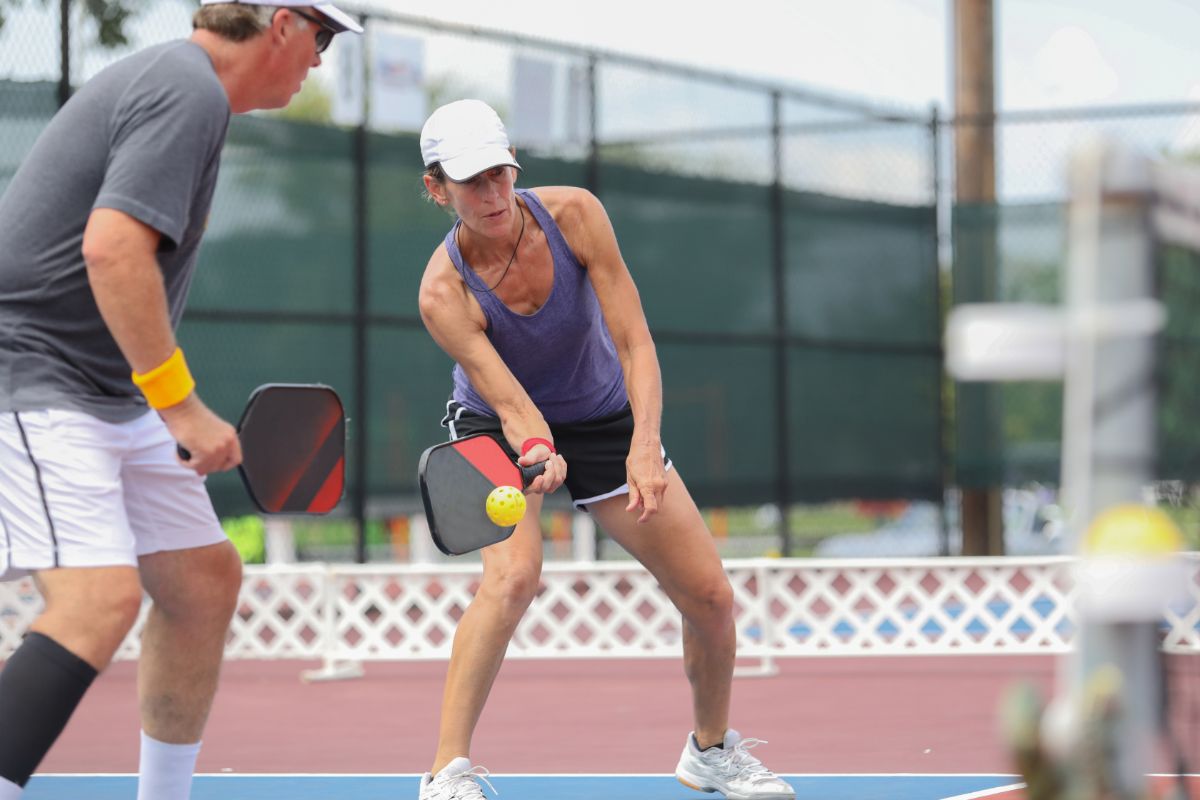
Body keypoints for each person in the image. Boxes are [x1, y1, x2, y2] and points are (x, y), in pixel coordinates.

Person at [0, 2, 361, 798]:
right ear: (279, 24)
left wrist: (161, 401)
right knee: (96, 602)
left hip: (99, 392)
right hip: (30, 375)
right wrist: (181, 406)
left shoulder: (186, 90)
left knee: (202, 581)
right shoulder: (185, 87)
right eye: (323, 36)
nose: (321, 60)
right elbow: (113, 249)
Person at [415, 98, 796, 800]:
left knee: (710, 596)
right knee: (512, 579)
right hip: (493, 428)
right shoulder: (442, 292)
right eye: (472, 182)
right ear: (437, 189)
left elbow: (634, 341)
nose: (494, 194)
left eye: (501, 173)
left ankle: (709, 753)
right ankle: (446, 773)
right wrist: (536, 451)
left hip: (604, 416)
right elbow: (509, 402)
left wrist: (644, 445)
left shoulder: (576, 215)